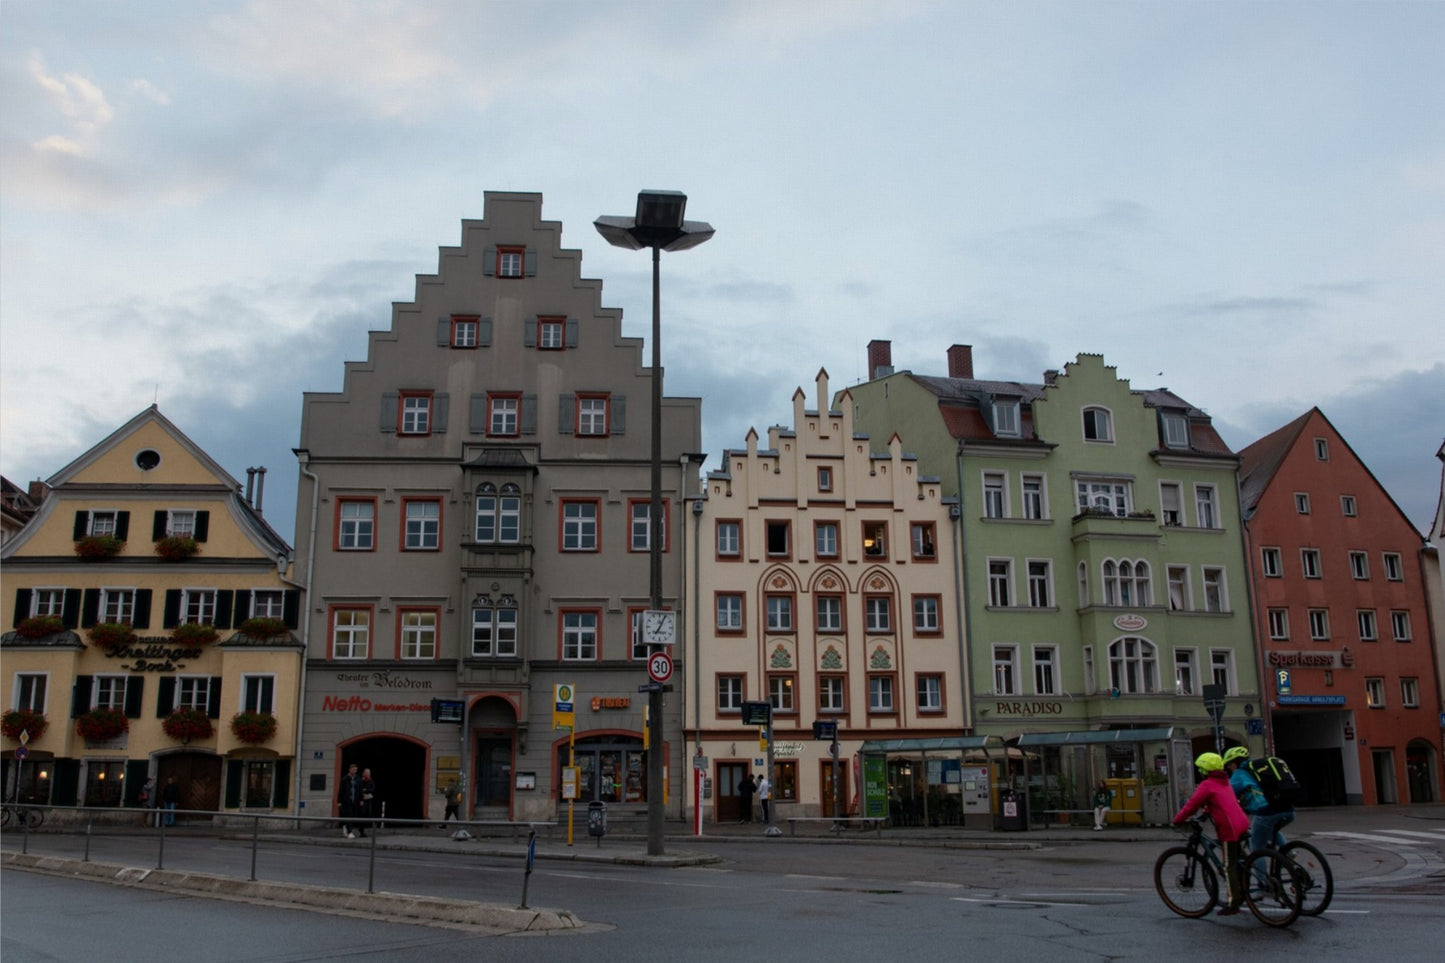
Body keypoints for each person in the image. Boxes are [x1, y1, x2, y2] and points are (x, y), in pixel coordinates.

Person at [1173, 751, 1251, 916]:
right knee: (1240, 860)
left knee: (1228, 866)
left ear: (1204, 770)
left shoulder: (1206, 785)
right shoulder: (1224, 781)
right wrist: (1207, 811)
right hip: (1242, 823)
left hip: (1229, 829)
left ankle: (1233, 902)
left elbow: (1192, 805)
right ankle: (1245, 886)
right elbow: (1217, 800)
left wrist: (1178, 820)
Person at [1223, 746, 1295, 865]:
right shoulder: (1258, 769)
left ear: (1235, 762)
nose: (1229, 768)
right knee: (1269, 828)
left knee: (1257, 848)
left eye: (1229, 764)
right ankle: (1288, 852)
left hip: (1267, 811)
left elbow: (1227, 793)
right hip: (1288, 809)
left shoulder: (1239, 774)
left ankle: (1263, 882)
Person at [338, 763, 365, 839]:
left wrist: (361, 799)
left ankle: (345, 828)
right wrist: (339, 801)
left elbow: (360, 790)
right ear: (350, 769)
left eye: (356, 769)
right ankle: (349, 832)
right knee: (348, 815)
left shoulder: (358, 779)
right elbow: (341, 790)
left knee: (353, 815)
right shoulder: (345, 779)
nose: (354, 771)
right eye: (353, 769)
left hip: (355, 800)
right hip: (347, 801)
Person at [358, 768, 376, 838]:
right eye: (367, 773)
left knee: (368, 813)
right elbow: (360, 790)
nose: (368, 774)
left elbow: (373, 789)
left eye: (369, 773)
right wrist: (361, 799)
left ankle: (362, 829)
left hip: (369, 800)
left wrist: (366, 790)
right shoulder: (361, 781)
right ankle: (361, 830)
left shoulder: (371, 781)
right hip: (363, 800)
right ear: (364, 773)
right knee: (362, 815)